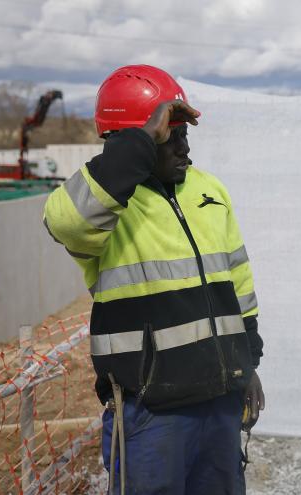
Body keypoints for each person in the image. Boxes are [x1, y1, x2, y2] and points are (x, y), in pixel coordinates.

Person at [43, 64, 265, 494]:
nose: (185, 150)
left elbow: (239, 281)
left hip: (220, 405)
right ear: (133, 140)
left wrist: (247, 363)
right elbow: (64, 223)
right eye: (171, 136)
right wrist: (143, 138)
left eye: (186, 135)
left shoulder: (208, 190)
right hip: (149, 416)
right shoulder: (104, 207)